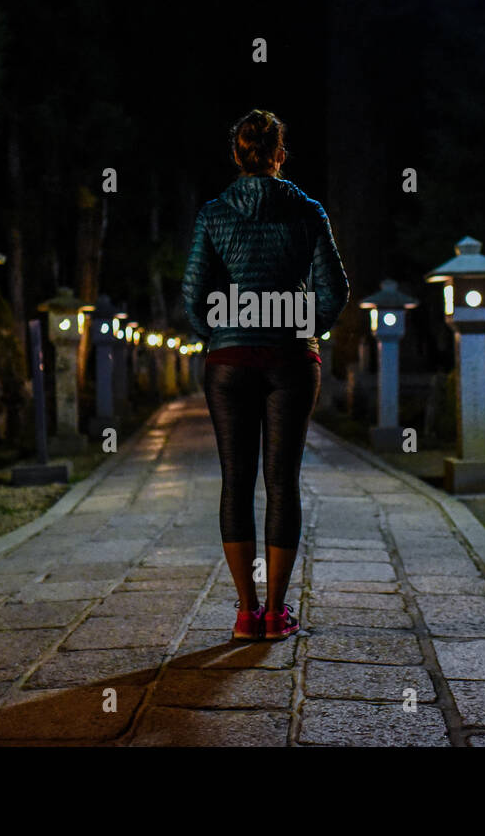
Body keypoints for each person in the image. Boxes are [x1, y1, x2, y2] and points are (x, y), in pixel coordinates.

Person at [181, 109, 349, 641]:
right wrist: (304, 326)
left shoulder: (214, 213)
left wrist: (224, 329)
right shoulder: (308, 210)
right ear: (280, 154)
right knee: (282, 482)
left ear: (237, 154)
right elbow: (335, 289)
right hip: (291, 360)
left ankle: (244, 613)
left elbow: (193, 293)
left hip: (230, 362)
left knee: (236, 479)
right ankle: (277, 614)